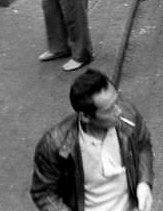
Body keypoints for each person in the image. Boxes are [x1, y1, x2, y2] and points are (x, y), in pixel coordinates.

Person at [30, 69, 154, 211]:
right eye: (109, 110)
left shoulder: (128, 117)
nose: (119, 111)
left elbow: (143, 145)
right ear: (85, 117)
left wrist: (144, 183)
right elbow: (44, 193)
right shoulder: (56, 145)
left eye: (117, 100)